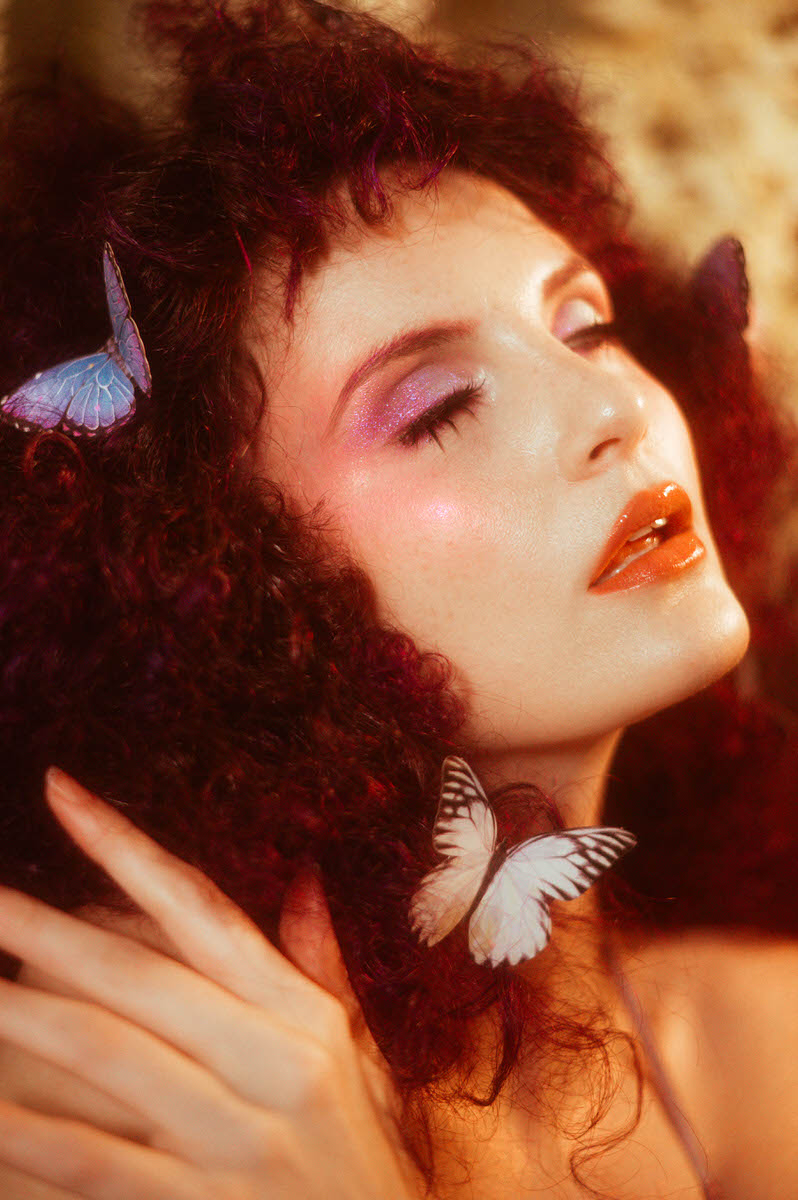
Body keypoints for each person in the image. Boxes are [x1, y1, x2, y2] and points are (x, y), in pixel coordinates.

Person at [0, 1, 796, 1196]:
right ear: (212, 577)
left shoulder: (756, 1025)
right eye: (438, 408)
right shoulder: (118, 1112)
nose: (617, 413)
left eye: (587, 329)